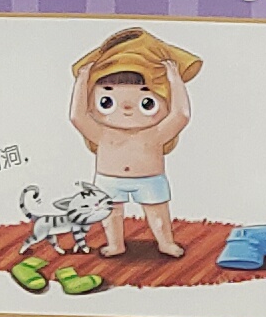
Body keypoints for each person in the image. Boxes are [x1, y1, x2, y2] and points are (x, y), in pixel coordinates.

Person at [66, 26, 201, 259]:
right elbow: (77, 116)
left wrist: (175, 80)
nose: (127, 108)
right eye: (107, 101)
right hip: (109, 178)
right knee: (111, 214)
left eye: (146, 102)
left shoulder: (155, 133)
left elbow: (181, 114)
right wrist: (82, 81)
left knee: (157, 214)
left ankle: (166, 242)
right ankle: (115, 244)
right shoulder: (102, 132)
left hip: (150, 178)